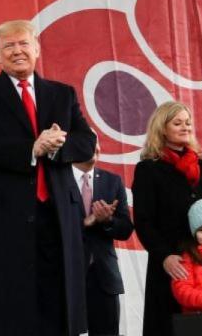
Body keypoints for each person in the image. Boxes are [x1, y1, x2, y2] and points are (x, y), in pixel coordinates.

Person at [0, 19, 97, 336]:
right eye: (8, 46)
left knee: (57, 305)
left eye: (23, 43)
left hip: (56, 216)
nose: (17, 51)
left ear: (36, 48)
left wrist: (55, 147)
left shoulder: (61, 94)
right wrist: (31, 149)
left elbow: (86, 141)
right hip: (4, 219)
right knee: (9, 308)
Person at [132, 101, 202, 336]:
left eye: (188, 122)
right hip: (171, 265)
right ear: (162, 129)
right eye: (177, 123)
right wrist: (164, 256)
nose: (185, 127)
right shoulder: (148, 170)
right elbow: (144, 221)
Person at [72, 142, 134, 336]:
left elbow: (125, 229)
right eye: (89, 143)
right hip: (67, 275)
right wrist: (84, 223)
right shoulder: (59, 180)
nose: (96, 148)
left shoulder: (112, 181)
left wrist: (107, 221)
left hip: (103, 278)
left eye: (97, 144)